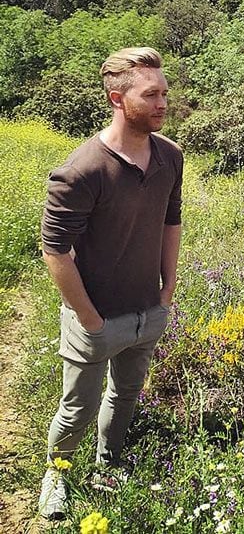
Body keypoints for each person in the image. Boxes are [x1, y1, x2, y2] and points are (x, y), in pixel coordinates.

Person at [38, 47, 183, 520]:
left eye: (164, 92)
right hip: (96, 317)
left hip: (148, 309)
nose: (164, 102)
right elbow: (55, 249)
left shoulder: (170, 156)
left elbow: (171, 221)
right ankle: (56, 475)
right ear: (118, 98)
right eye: (152, 94)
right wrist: (88, 318)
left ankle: (108, 463)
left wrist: (167, 289)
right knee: (77, 405)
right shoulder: (82, 169)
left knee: (125, 395)